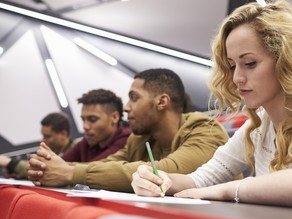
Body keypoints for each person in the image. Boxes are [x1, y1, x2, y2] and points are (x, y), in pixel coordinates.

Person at [130, 1, 292, 216]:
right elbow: (200, 179)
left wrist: (229, 190)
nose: (237, 78)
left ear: (286, 60)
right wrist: (160, 180)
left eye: (249, 63)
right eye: (232, 65)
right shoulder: (258, 125)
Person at [27, 68, 229, 192]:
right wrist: (51, 168)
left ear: (161, 101)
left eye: (134, 98)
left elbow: (166, 172)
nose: (126, 107)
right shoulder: (140, 139)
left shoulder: (206, 129)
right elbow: (103, 165)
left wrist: (68, 173)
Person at [61, 88, 131, 162]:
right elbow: (61, 163)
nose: (85, 126)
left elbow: (95, 169)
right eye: (83, 120)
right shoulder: (88, 141)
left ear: (114, 117)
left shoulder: (127, 139)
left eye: (92, 119)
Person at [0, 112, 75, 179]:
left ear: (63, 134)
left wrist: (10, 163)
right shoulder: (53, 153)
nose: (42, 140)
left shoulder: (77, 151)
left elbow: (51, 171)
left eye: (47, 136)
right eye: (43, 136)